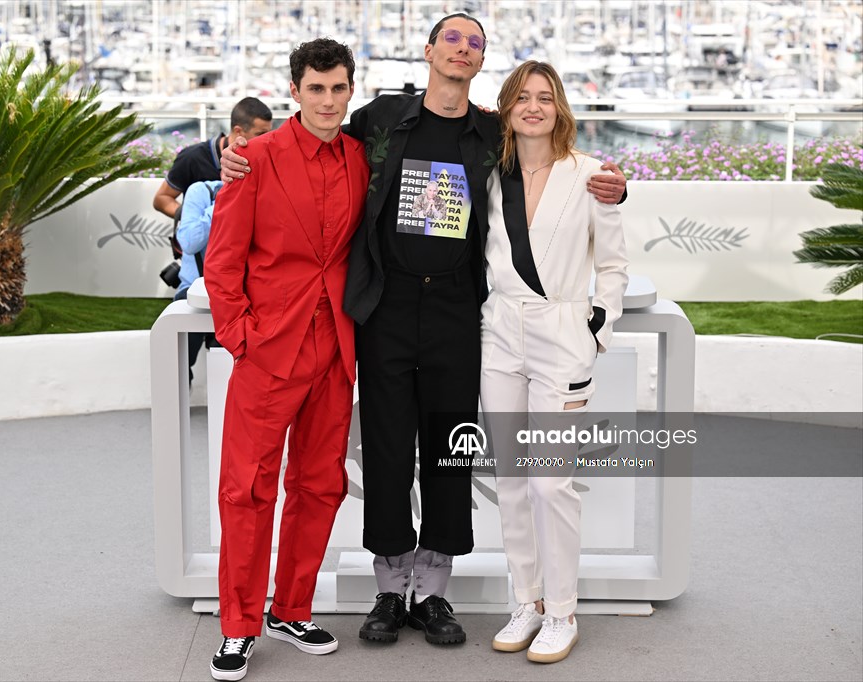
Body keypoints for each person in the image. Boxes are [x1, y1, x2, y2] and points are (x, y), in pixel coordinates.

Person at [222, 13, 629, 648]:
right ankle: (389, 589)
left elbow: (551, 166)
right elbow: (317, 136)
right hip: (384, 311)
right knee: (385, 452)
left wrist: (614, 185)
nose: (462, 50)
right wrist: (236, 154)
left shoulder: (492, 133)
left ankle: (434, 592)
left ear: (481, 60)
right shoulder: (382, 117)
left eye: (475, 43)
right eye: (452, 39)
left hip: (458, 316)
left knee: (448, 454)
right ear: (429, 50)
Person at [203, 38, 369, 682]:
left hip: (338, 346)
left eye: (338, 89)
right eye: (316, 88)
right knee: (247, 487)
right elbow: (222, 258)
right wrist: (239, 334)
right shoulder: (254, 158)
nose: (328, 100)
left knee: (319, 483)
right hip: (270, 346)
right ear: (295, 92)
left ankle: (291, 608)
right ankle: (239, 625)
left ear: (350, 91)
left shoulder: (360, 158)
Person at [480, 60, 628, 664]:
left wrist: (597, 330)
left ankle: (563, 611)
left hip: (562, 335)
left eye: (545, 97)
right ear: (507, 108)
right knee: (511, 480)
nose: (533, 107)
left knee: (550, 480)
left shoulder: (591, 176)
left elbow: (613, 264)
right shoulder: (489, 175)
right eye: (522, 97)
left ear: (560, 107)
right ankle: (528, 600)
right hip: (498, 336)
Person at [154, 97, 272, 383]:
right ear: (238, 132)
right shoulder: (194, 162)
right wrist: (203, 212)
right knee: (185, 356)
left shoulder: (262, 162)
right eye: (261, 135)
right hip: (199, 272)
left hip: (236, 277)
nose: (267, 141)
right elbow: (162, 199)